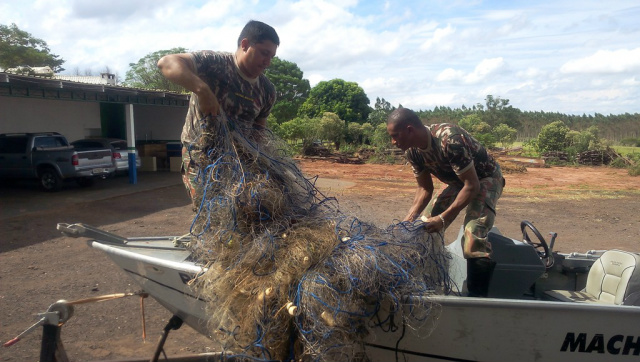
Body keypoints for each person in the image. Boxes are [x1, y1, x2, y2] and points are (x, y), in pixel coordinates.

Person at [157, 20, 279, 208]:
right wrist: (203, 90)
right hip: (201, 153)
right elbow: (166, 62)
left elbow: (258, 133)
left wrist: (256, 166)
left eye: (272, 56)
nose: (268, 62)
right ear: (245, 45)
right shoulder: (215, 64)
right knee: (210, 209)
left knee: (248, 210)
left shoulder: (267, 90)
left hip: (239, 159)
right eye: (264, 53)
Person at [386, 108, 505, 297]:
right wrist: (407, 222)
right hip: (459, 182)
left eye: (395, 136)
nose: (393, 141)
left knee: (473, 234)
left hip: (485, 179)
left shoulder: (450, 139)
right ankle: (427, 285)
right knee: (422, 227)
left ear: (410, 130)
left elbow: (472, 185)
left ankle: (478, 300)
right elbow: (424, 189)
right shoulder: (413, 153)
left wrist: (443, 218)